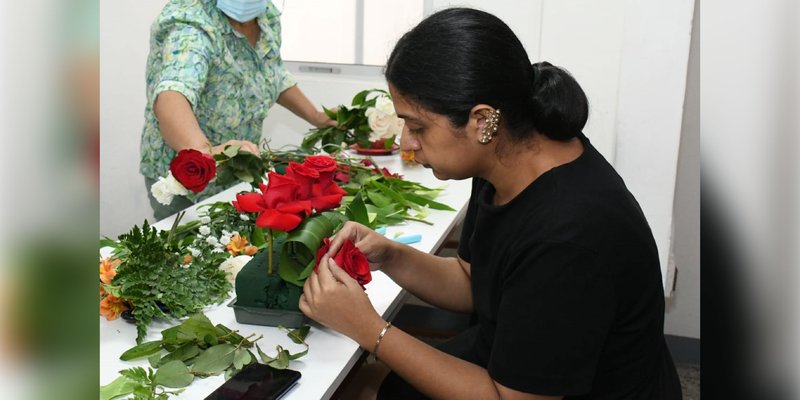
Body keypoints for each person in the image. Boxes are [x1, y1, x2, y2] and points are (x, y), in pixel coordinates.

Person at [299, 8, 682, 400]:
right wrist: (392, 256)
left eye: (417, 127)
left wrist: (369, 329)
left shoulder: (569, 235)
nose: (406, 144)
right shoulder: (504, 161)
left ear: (482, 121)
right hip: (507, 361)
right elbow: (473, 283)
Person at [139, 0, 335, 219]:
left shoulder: (265, 15)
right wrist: (205, 154)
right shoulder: (191, 24)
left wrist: (318, 118)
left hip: (236, 167)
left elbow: (273, 75)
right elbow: (172, 96)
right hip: (185, 179)